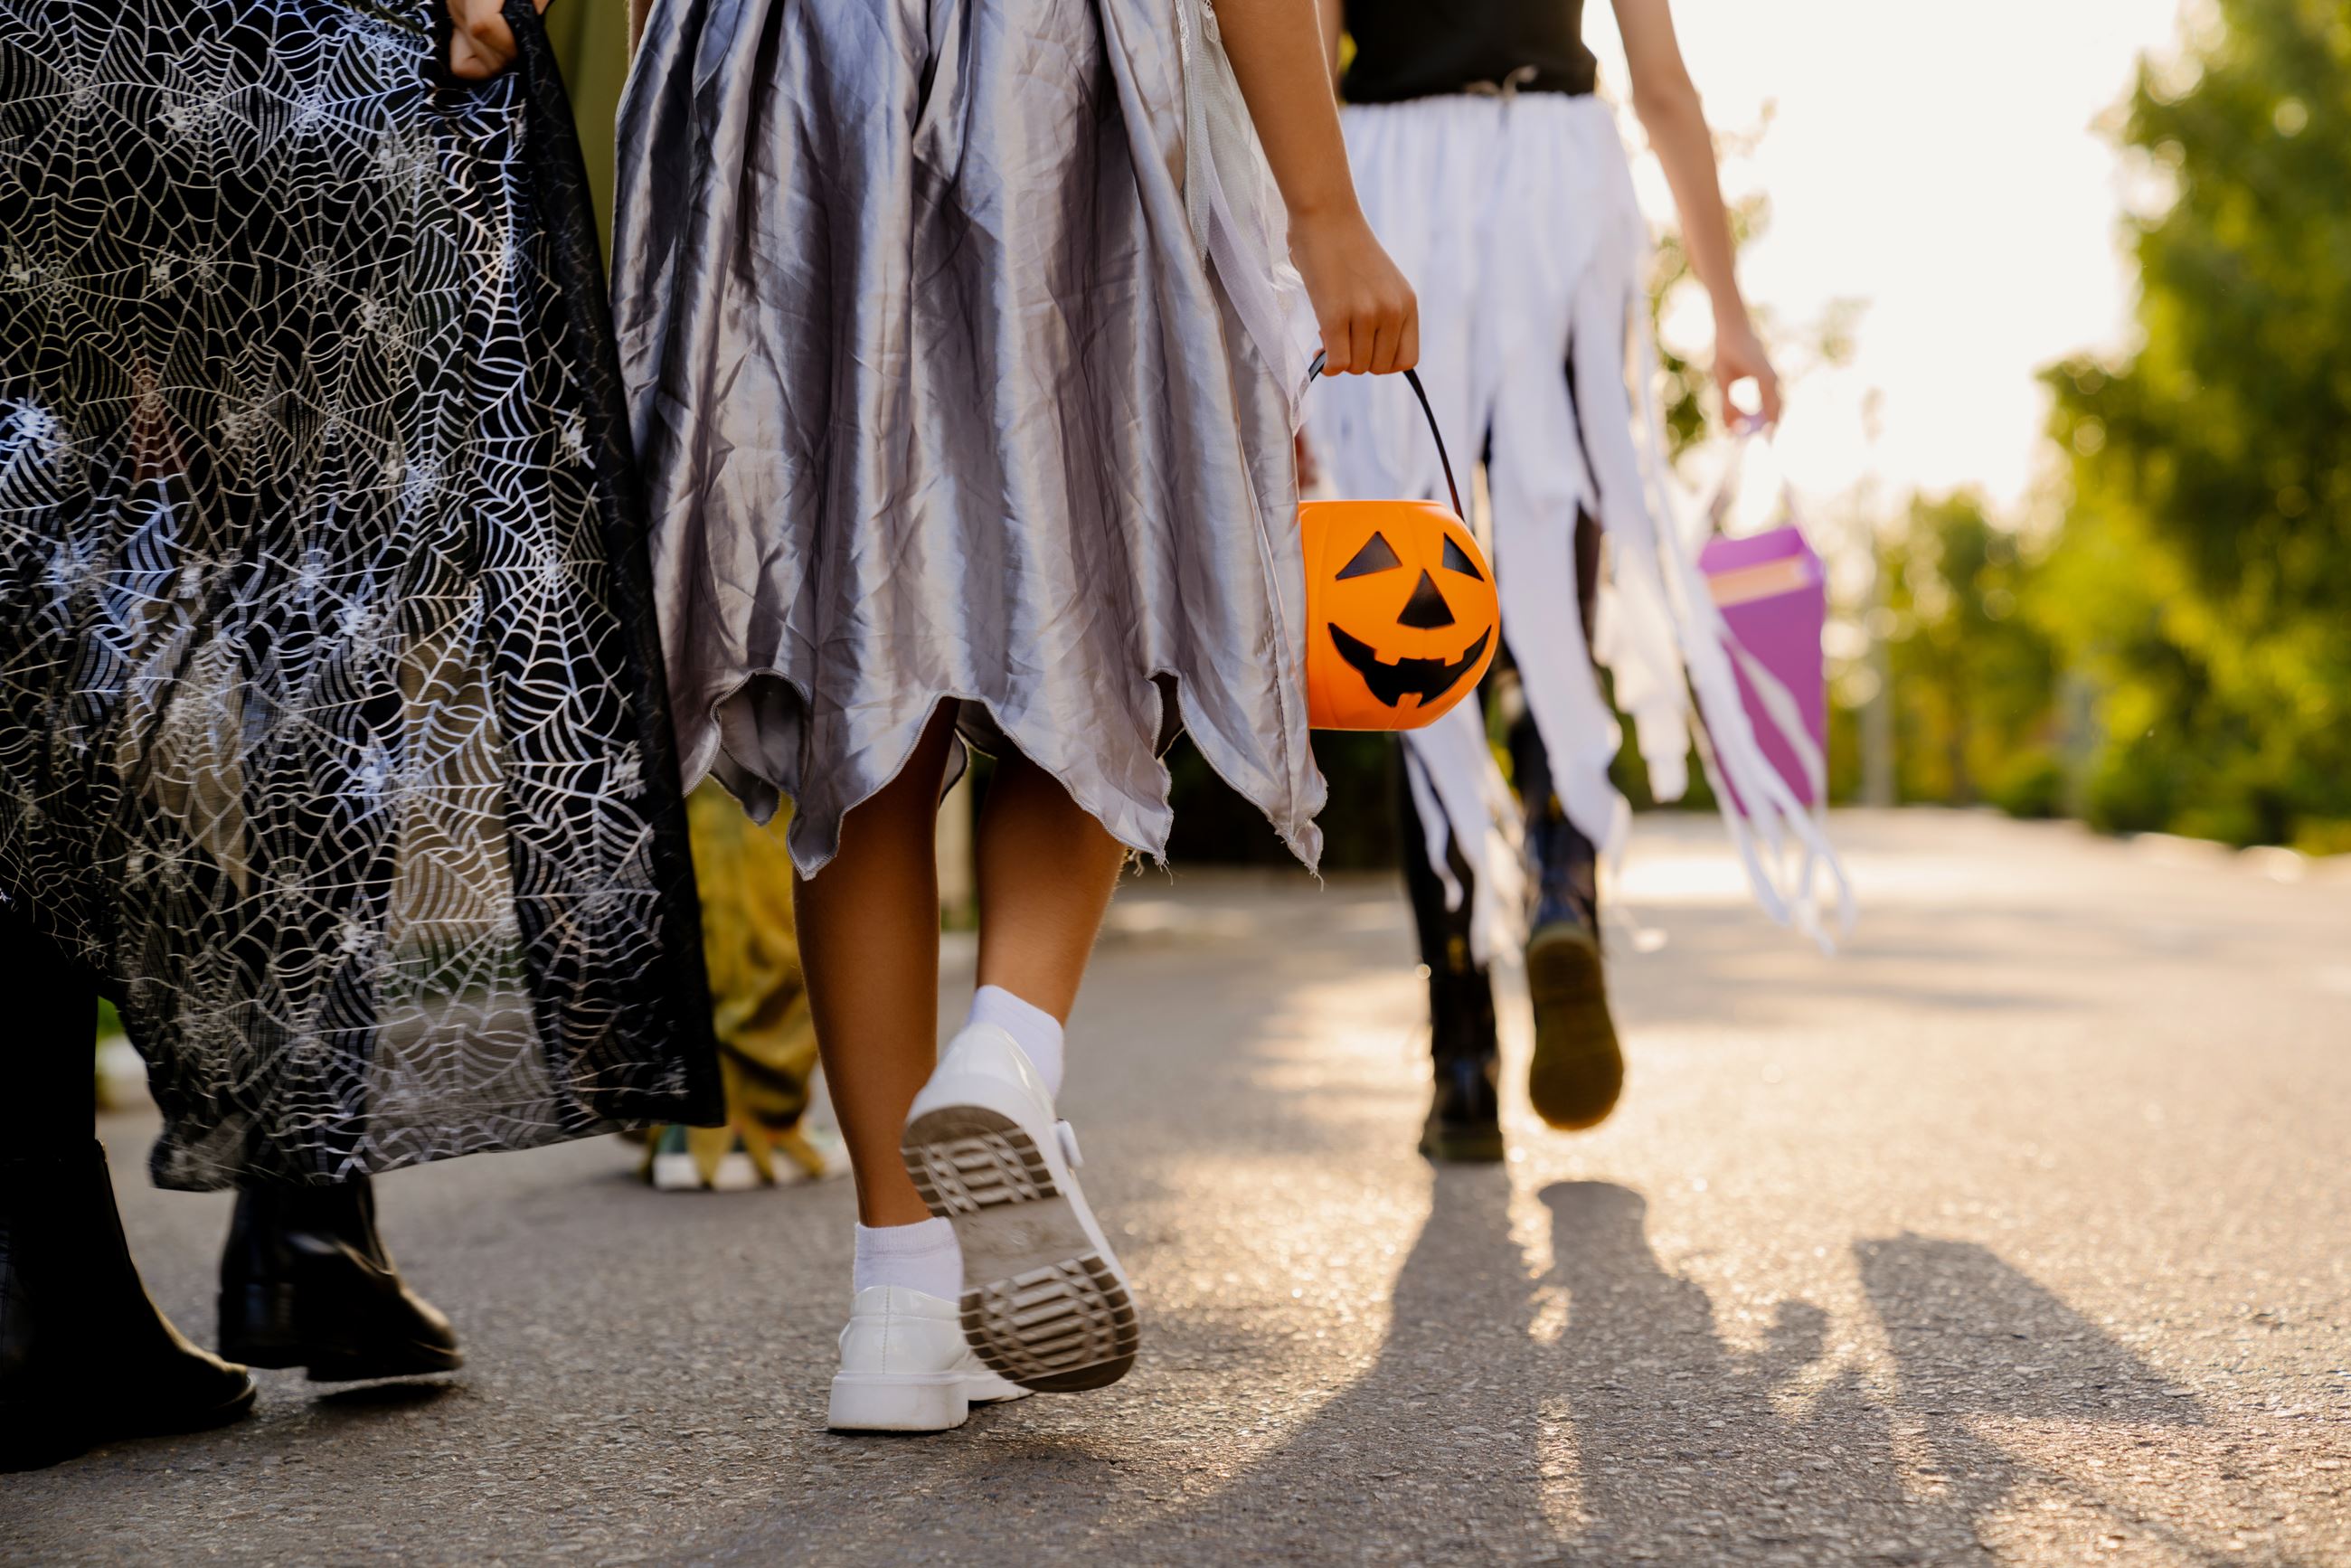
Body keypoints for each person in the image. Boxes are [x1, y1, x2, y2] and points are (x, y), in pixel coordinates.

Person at [615, 0, 1417, 1430]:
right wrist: (1321, 205)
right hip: (1059, 59)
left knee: (853, 647)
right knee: (1104, 576)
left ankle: (901, 1298)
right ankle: (1008, 1050)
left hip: (785, 60)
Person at [0, 0, 717, 1469]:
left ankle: (37, 1281)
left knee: (30, 631)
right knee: (313, 599)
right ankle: (306, 1223)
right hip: (280, 63)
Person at [1307, 0, 1817, 1160]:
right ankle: (1558, 881)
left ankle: (1464, 1065)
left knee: (1404, 619)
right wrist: (1729, 319)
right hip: (1557, 176)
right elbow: (1664, 91)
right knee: (1554, 576)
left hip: (1389, 178)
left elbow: (1306, 43)